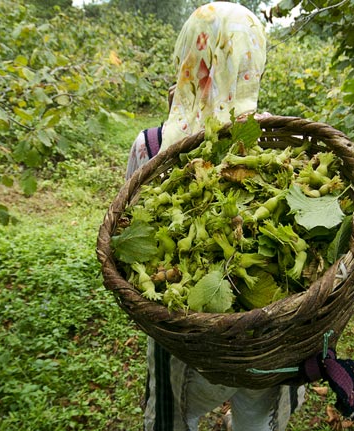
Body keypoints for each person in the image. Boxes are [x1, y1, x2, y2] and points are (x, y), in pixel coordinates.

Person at [124, 3, 305, 431]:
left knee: (175, 417)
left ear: (186, 58)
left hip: (189, 343)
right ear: (253, 63)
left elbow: (128, 235)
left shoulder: (150, 147)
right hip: (268, 340)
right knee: (257, 424)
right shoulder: (279, 145)